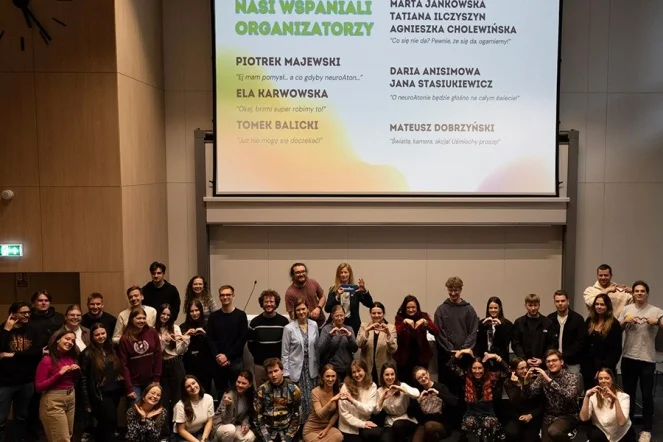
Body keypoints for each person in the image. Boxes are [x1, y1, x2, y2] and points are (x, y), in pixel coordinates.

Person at [618, 280, 663, 442]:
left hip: (647, 359)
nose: (639, 293)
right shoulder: (627, 309)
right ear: (633, 293)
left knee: (646, 395)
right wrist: (625, 321)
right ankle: (628, 427)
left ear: (647, 293)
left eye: (642, 291)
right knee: (628, 394)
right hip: (629, 357)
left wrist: (657, 322)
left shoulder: (656, 311)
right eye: (636, 291)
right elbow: (617, 328)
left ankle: (646, 429)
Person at [0, 302, 42, 442]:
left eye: (28, 312)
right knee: (1, 418)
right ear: (13, 314)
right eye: (23, 313)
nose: (27, 315)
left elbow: (37, 352)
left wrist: (13, 355)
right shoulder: (2, 329)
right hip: (5, 383)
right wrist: (6, 330)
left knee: (21, 417)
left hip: (26, 381)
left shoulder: (32, 330)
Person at [449, 349, 508, 442]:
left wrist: (496, 356)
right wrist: (461, 352)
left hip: (488, 416)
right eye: (474, 368)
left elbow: (508, 371)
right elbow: (450, 366)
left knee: (488, 423)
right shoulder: (465, 377)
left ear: (484, 368)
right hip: (471, 415)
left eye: (480, 368)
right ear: (470, 369)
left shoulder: (492, 378)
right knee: (469, 423)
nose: (477, 371)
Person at [78, 323, 124, 442]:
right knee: (110, 421)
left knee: (105, 424)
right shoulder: (87, 353)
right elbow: (83, 380)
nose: (101, 336)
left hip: (115, 391)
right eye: (97, 335)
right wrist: (86, 403)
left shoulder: (111, 348)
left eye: (103, 333)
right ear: (92, 337)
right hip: (100, 394)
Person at [524, 349, 581, 442]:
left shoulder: (572, 376)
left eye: (554, 360)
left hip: (568, 415)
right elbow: (531, 394)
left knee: (553, 432)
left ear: (561, 362)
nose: (551, 363)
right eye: (548, 361)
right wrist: (526, 382)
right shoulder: (543, 375)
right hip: (549, 416)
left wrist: (549, 380)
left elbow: (569, 396)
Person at [35, 330, 80, 442]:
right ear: (57, 340)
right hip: (53, 401)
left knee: (68, 436)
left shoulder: (70, 358)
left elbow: (73, 379)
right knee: (61, 439)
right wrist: (59, 374)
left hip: (70, 398)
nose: (70, 342)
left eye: (73, 341)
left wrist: (77, 371)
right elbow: (39, 387)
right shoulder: (47, 360)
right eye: (67, 339)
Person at [434, 277, 479, 387]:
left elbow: (473, 332)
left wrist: (463, 350)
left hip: (465, 357)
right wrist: (451, 350)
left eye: (456, 290)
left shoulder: (469, 310)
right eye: (450, 290)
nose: (453, 293)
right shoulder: (440, 310)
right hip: (447, 357)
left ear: (461, 290)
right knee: (447, 388)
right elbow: (439, 333)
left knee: (465, 388)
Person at [207, 285, 249, 397]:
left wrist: (227, 356)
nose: (225, 297)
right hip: (218, 362)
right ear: (219, 297)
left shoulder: (241, 315)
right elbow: (209, 338)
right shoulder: (213, 317)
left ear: (233, 296)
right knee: (221, 394)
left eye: (228, 295)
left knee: (238, 392)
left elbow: (242, 339)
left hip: (235, 362)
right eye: (222, 295)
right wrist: (219, 357)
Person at [282, 298, 319, 420]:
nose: (301, 312)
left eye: (303, 309)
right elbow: (285, 353)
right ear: (295, 311)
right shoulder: (289, 328)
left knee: (311, 398)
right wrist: (286, 374)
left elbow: (317, 348)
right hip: (296, 370)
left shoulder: (314, 325)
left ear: (308, 309)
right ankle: (299, 426)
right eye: (298, 310)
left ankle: (311, 424)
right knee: (298, 400)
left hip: (311, 369)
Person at [118, 307, 162, 403]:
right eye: (138, 318)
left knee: (152, 408)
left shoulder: (152, 332)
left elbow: (158, 356)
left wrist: (156, 378)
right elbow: (123, 365)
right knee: (135, 409)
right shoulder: (125, 339)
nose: (141, 321)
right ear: (131, 319)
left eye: (143, 318)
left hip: (151, 381)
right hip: (134, 384)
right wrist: (129, 388)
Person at [156, 303, 189, 428]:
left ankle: (178, 428)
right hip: (161, 365)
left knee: (178, 397)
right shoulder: (153, 329)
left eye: (168, 315)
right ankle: (164, 430)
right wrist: (164, 343)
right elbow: (155, 353)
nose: (165, 317)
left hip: (175, 363)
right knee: (163, 398)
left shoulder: (175, 328)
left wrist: (185, 341)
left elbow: (179, 351)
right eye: (163, 314)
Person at [580, 368, 635, 442]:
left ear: (612, 380)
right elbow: (584, 418)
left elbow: (621, 422)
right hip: (602, 431)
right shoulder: (592, 396)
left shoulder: (624, 397)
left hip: (622, 433)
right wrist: (586, 397)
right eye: (600, 378)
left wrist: (615, 400)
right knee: (595, 435)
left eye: (607, 378)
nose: (603, 381)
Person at [254, 358, 302, 442]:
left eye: (276, 371)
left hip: (288, 431)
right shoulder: (261, 390)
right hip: (268, 431)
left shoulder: (294, 390)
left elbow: (297, 416)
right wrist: (267, 438)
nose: (273, 375)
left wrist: (288, 438)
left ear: (282, 371)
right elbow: (258, 416)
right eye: (270, 372)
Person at [248, 290, 289, 386]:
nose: (268, 304)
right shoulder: (255, 322)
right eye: (266, 301)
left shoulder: (283, 322)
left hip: (277, 367)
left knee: (279, 391)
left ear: (276, 303)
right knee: (261, 391)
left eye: (271, 301)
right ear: (262, 303)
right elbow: (250, 344)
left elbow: (286, 345)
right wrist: (259, 357)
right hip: (260, 366)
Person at [395, 295, 438, 386]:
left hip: (421, 356)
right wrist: (404, 322)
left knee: (421, 383)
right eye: (408, 307)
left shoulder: (423, 316)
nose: (411, 310)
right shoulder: (399, 318)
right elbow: (396, 333)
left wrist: (425, 322)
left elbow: (436, 331)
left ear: (417, 307)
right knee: (405, 384)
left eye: (413, 307)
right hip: (404, 358)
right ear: (404, 308)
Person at [582, 294, 622, 390]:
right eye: (597, 304)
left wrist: (603, 370)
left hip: (605, 369)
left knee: (604, 394)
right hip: (588, 367)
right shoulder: (589, 321)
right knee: (589, 393)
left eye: (602, 304)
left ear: (607, 307)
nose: (599, 307)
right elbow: (584, 344)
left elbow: (616, 350)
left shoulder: (614, 324)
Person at [324, 263, 373, 335]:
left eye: (345, 272)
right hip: (336, 324)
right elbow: (327, 309)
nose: (343, 275)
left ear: (350, 274)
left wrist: (364, 291)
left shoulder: (355, 289)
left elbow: (370, 304)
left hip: (353, 325)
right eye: (341, 272)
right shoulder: (333, 289)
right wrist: (337, 296)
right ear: (338, 274)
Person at [337, 360, 380, 442]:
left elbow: (369, 409)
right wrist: (362, 424)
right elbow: (344, 414)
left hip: (365, 423)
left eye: (359, 371)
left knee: (378, 434)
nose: (357, 374)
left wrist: (353, 401)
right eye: (354, 372)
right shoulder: (345, 387)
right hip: (348, 428)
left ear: (365, 370)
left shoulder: (372, 386)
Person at [411, 366, 457, 442]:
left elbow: (454, 402)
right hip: (424, 423)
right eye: (419, 378)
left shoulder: (441, 387)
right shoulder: (418, 391)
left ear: (428, 373)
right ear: (417, 381)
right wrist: (419, 400)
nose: (423, 378)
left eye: (424, 374)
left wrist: (438, 394)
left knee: (429, 426)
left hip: (442, 423)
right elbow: (411, 412)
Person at [376, 363, 420, 442]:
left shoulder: (402, 385)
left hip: (406, 420)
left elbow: (417, 394)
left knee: (398, 425)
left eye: (392, 374)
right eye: (387, 375)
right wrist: (382, 399)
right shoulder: (379, 391)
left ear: (395, 375)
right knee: (385, 439)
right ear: (382, 376)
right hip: (390, 422)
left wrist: (401, 389)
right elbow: (375, 411)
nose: (390, 377)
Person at [503, 357, 543, 442]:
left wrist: (530, 415)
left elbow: (542, 403)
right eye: (521, 368)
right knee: (511, 433)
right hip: (517, 415)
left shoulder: (534, 380)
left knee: (529, 439)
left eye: (526, 367)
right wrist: (517, 386)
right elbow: (515, 402)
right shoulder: (508, 382)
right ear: (514, 370)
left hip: (533, 414)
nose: (525, 370)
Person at [357, 302, 397, 384]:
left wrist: (388, 334)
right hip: (367, 368)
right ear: (370, 314)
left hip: (384, 369)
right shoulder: (364, 326)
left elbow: (393, 349)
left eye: (379, 313)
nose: (376, 315)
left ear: (384, 314)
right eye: (374, 313)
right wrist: (367, 331)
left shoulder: (391, 327)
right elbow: (359, 344)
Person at [512, 294, 556, 368]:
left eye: (535, 305)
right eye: (530, 305)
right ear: (525, 305)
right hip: (524, 364)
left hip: (544, 364)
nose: (533, 308)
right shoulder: (519, 322)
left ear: (539, 305)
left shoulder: (547, 322)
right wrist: (525, 359)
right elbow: (515, 343)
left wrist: (542, 359)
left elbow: (552, 344)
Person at [547, 290, 586, 373]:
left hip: (572, 363)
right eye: (557, 301)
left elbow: (580, 342)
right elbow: (548, 341)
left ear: (568, 301)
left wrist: (564, 356)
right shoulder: (550, 319)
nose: (560, 303)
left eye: (563, 301)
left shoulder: (578, 319)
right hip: (553, 362)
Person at [302, 365, 343, 442]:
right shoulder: (315, 392)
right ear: (322, 377)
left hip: (326, 427)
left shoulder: (337, 391)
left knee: (339, 436)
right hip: (311, 428)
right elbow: (320, 414)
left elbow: (336, 414)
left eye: (333, 376)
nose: (330, 379)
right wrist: (331, 400)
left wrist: (326, 430)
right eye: (327, 376)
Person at [181, 300, 214, 393]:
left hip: (205, 365)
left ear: (201, 311)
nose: (194, 313)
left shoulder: (208, 325)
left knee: (205, 391)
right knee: (190, 391)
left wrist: (205, 334)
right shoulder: (183, 327)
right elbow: (179, 349)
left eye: (197, 310)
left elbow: (213, 345)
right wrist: (186, 335)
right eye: (191, 311)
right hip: (189, 364)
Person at [213, 371, 256, 442]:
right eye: (238, 382)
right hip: (221, 426)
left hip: (234, 425)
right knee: (230, 429)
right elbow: (226, 421)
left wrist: (245, 424)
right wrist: (228, 406)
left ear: (250, 384)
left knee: (250, 436)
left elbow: (247, 414)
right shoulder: (229, 395)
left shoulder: (249, 396)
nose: (240, 385)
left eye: (243, 383)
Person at [318, 305, 358, 381]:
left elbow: (355, 349)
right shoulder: (326, 329)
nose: (339, 318)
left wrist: (349, 336)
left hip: (347, 369)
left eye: (341, 315)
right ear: (332, 316)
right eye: (337, 316)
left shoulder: (349, 328)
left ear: (344, 315)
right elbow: (320, 349)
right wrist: (330, 336)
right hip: (332, 370)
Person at [173, 375, 214, 442]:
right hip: (183, 436)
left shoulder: (208, 398)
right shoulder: (180, 405)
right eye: (188, 386)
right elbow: (181, 430)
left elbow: (209, 421)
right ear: (185, 390)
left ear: (198, 383)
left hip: (200, 432)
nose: (192, 387)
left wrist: (203, 440)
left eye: (193, 383)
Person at [284, 263, 326, 328]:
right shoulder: (290, 293)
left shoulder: (313, 282)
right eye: (297, 272)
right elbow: (292, 315)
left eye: (303, 271)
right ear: (293, 275)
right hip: (304, 327)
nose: (301, 274)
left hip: (321, 323)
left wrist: (318, 308)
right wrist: (307, 314)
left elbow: (322, 297)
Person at [474, 296, 513, 363]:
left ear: (500, 308)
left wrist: (499, 327)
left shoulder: (507, 324)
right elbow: (478, 343)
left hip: (500, 359)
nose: (493, 310)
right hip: (484, 359)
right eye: (490, 308)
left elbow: (505, 342)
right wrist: (483, 326)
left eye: (495, 308)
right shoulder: (482, 323)